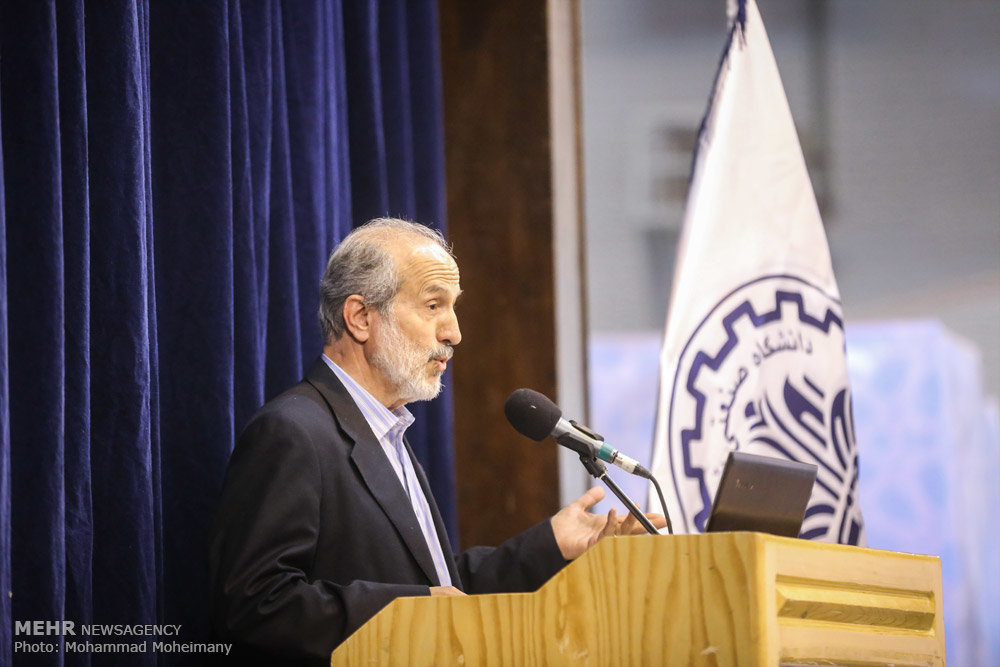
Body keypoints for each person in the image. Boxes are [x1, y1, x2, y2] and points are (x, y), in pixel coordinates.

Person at [209, 218, 664, 664]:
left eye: (453, 308)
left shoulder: (387, 432)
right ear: (361, 318)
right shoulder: (293, 432)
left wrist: (552, 544)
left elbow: (443, 587)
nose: (454, 333)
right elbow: (257, 603)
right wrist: (415, 609)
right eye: (433, 306)